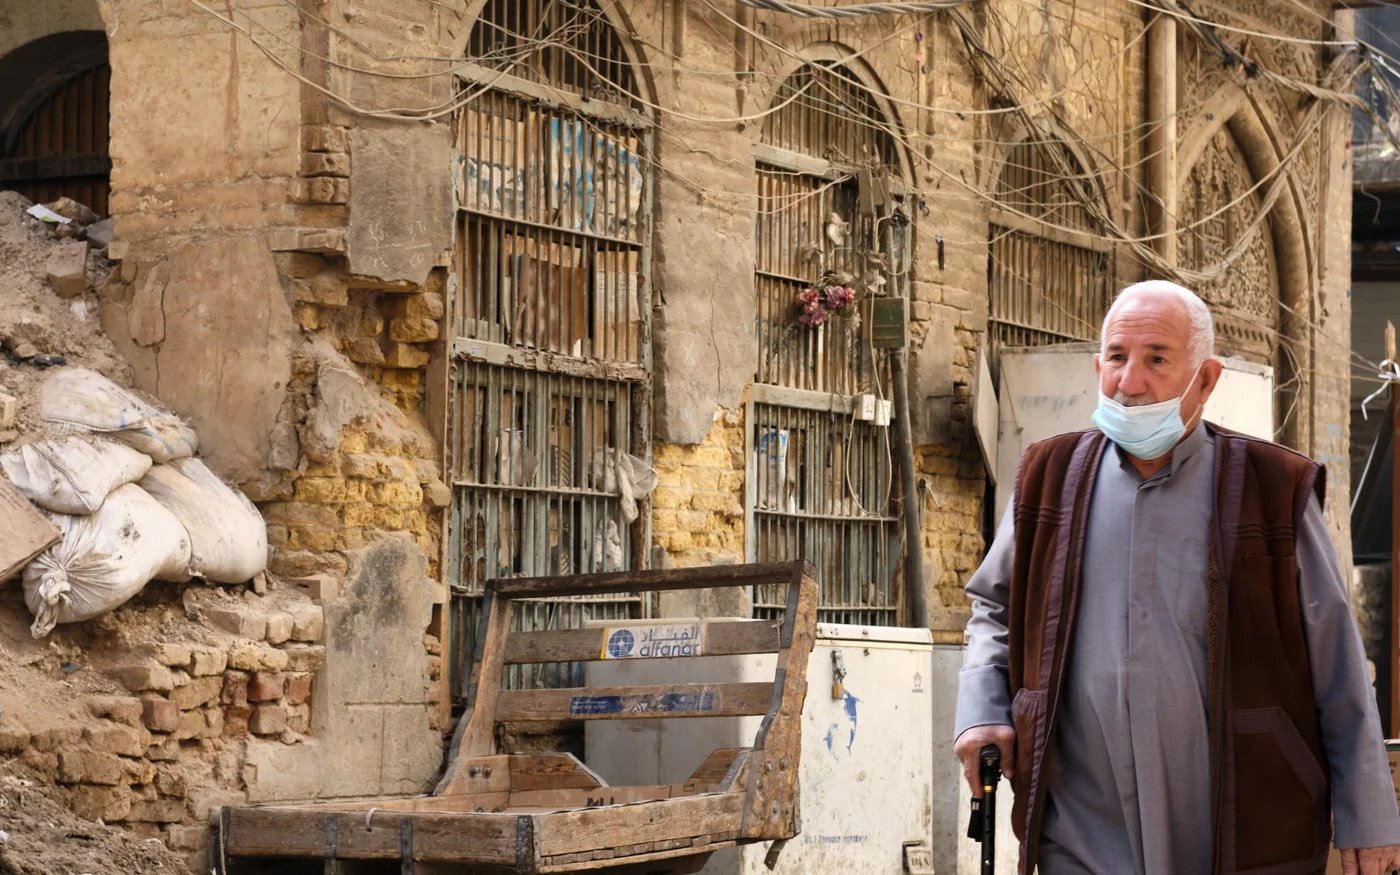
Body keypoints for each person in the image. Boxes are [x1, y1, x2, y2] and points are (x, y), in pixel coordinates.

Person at [954, 281, 1400, 875]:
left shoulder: (1272, 490)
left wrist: (1368, 818)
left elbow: (1337, 662)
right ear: (1098, 365)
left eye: (1157, 359)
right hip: (1082, 821)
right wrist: (982, 708)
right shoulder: (1048, 477)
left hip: (1243, 823)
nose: (1130, 381)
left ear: (1207, 379)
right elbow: (995, 607)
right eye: (1116, 357)